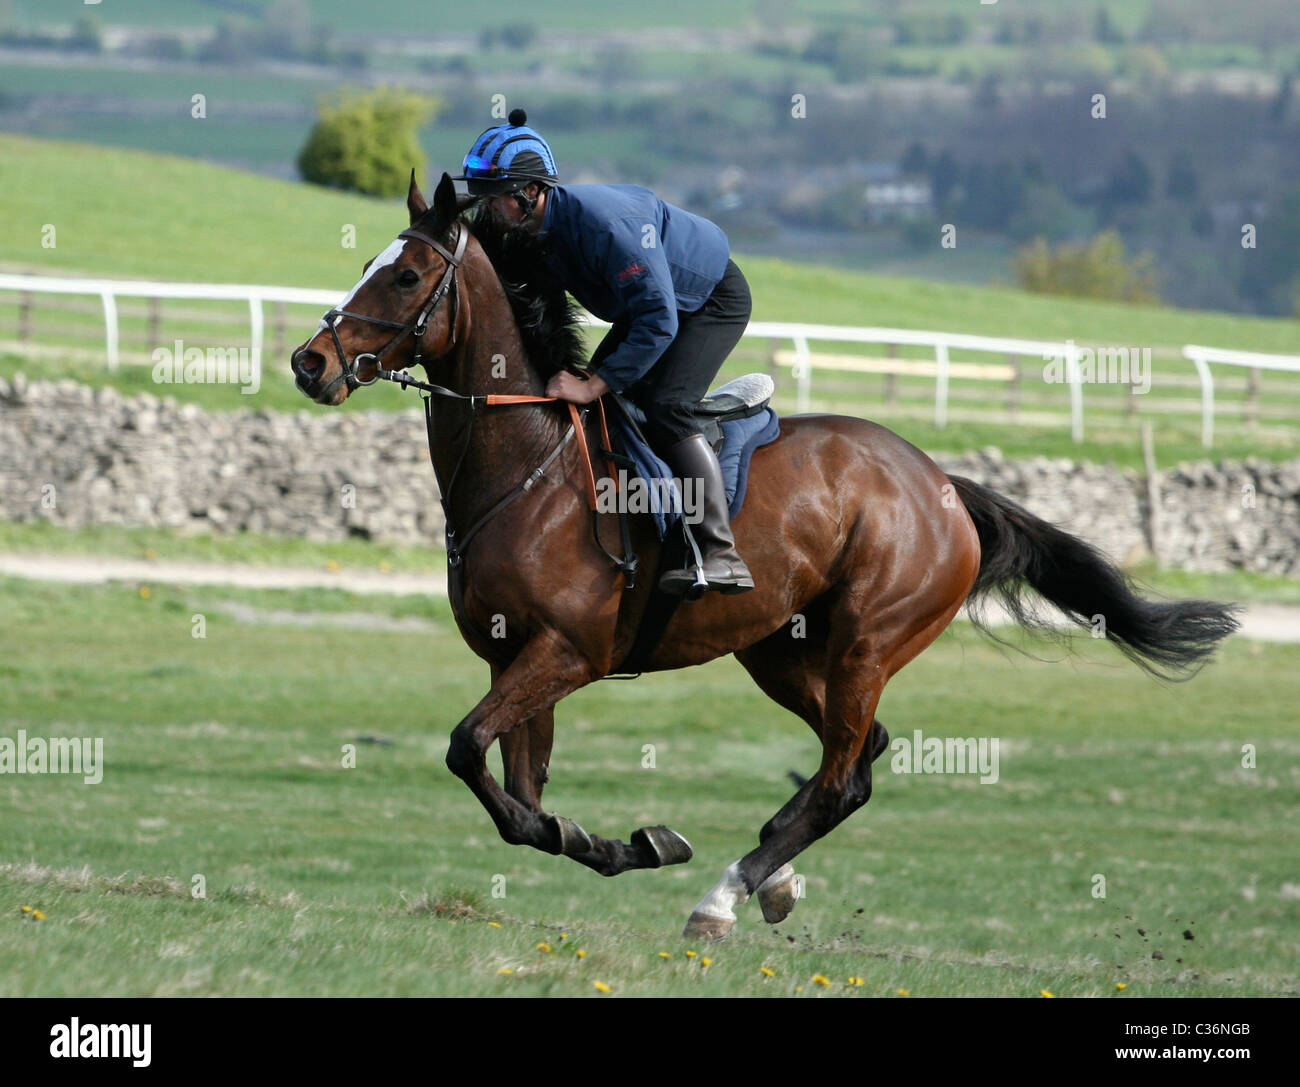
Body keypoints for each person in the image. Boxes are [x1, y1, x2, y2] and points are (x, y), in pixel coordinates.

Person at [454, 109, 755, 597]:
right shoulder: (536, 229)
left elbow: (660, 320)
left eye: (494, 200)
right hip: (654, 311)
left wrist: (593, 382)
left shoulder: (607, 226)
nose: (488, 210)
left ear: (530, 194)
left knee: (665, 406)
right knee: (610, 402)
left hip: (707, 302)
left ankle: (722, 553)